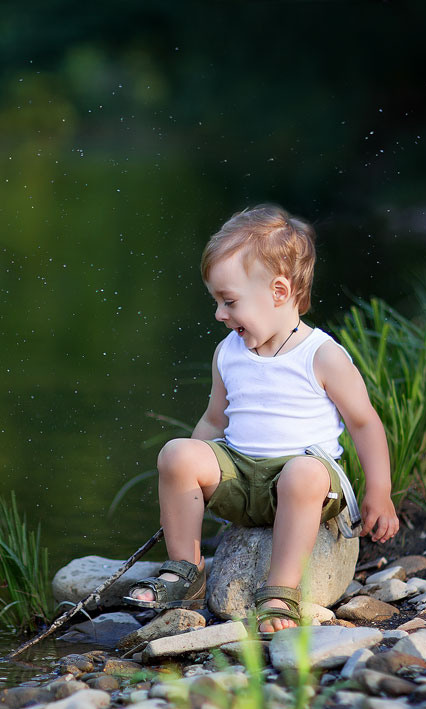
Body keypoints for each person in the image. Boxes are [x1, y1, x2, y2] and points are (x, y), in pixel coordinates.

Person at [126, 204, 399, 634]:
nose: (219, 314)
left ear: (278, 291)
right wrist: (186, 481)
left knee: (304, 474)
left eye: (229, 301)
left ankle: (279, 592)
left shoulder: (321, 355)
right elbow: (214, 422)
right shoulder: (228, 354)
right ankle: (186, 571)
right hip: (243, 480)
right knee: (177, 453)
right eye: (217, 302)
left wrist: (379, 492)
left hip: (303, 486)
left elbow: (364, 423)